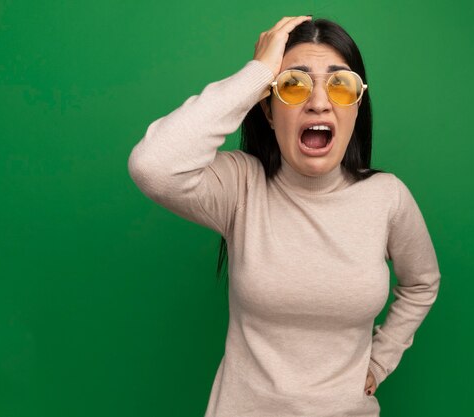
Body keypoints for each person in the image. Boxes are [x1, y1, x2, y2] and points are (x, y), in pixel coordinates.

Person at [128, 15, 441, 417]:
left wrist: (380, 361)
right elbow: (152, 165)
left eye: (340, 85)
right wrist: (256, 73)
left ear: (357, 107)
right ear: (269, 110)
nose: (319, 101)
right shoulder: (241, 187)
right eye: (294, 84)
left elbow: (422, 283)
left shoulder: (387, 197)